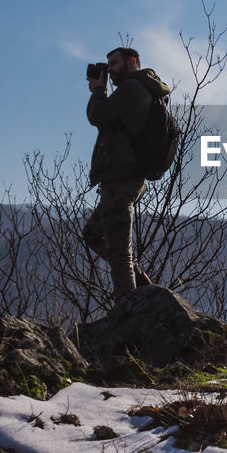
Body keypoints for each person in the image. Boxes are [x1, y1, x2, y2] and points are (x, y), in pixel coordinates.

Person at [82, 46, 170, 299]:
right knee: (92, 234)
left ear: (132, 61)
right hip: (127, 179)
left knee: (120, 252)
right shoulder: (146, 89)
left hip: (121, 180)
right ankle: (147, 292)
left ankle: (128, 310)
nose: (109, 69)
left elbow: (99, 116)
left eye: (114, 63)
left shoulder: (133, 88)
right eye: (108, 65)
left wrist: (99, 91)